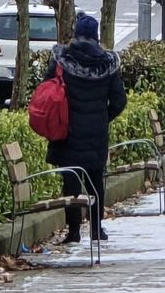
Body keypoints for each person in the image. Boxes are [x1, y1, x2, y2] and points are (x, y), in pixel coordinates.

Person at [46, 13, 126, 243]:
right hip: (95, 136)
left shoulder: (62, 60)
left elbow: (46, 88)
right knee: (95, 183)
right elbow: (119, 100)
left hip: (66, 135)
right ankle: (96, 229)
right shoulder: (108, 65)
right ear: (95, 36)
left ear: (76, 34)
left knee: (70, 183)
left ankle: (73, 231)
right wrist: (103, 118)